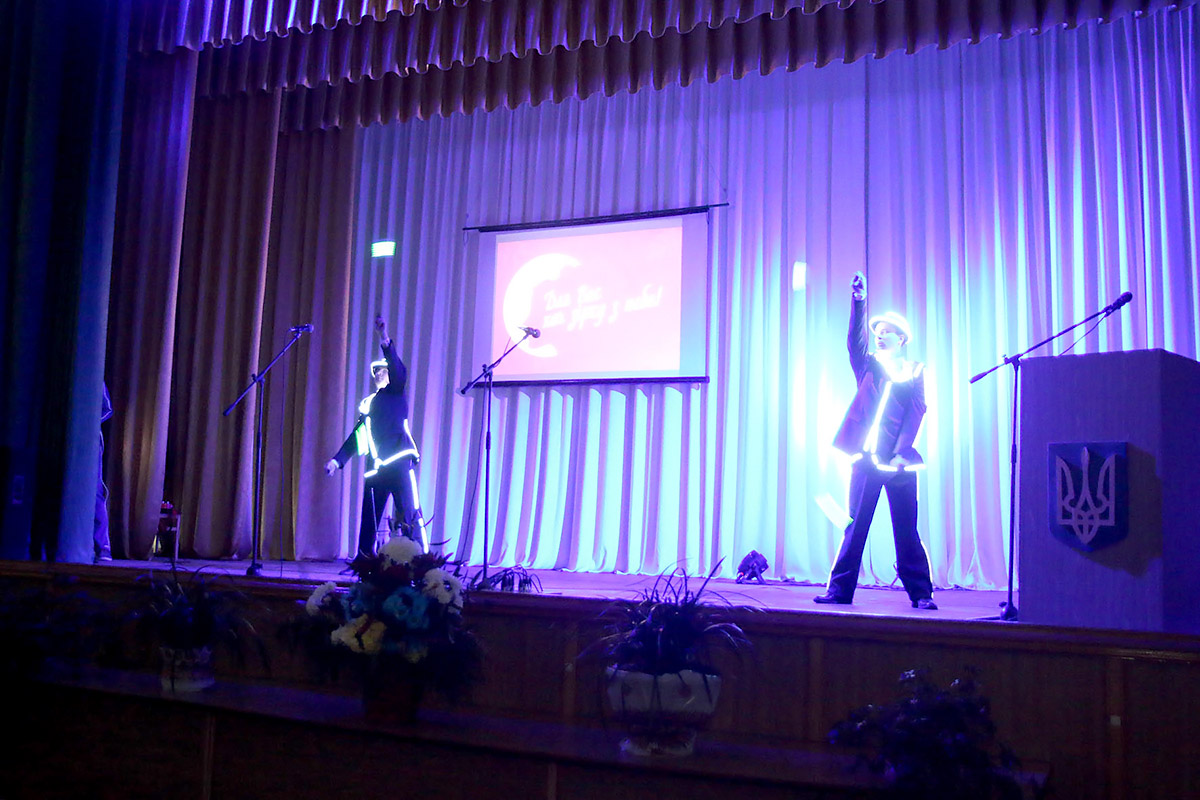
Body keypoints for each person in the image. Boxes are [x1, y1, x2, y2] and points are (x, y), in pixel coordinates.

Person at [814, 272, 937, 610]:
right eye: (878, 333)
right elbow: (855, 341)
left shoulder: (915, 371)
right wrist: (859, 302)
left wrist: (901, 454)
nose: (880, 337)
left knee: (907, 530)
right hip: (867, 460)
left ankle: (921, 593)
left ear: (902, 339)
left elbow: (917, 409)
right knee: (855, 527)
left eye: (887, 333)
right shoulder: (867, 365)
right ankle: (840, 591)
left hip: (900, 462)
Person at [326, 315, 427, 555]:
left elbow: (399, 371)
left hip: (399, 461)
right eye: (376, 372)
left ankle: (421, 561)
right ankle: (364, 561)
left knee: (409, 513)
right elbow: (357, 437)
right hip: (377, 468)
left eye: (382, 370)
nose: (378, 374)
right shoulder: (369, 405)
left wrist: (384, 337)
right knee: (369, 520)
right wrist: (336, 461)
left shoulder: (396, 393)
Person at [94, 382, 113, 562]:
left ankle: (102, 546)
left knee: (95, 493)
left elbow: (107, 408)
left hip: (90, 441)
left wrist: (89, 424)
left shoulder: (95, 380)